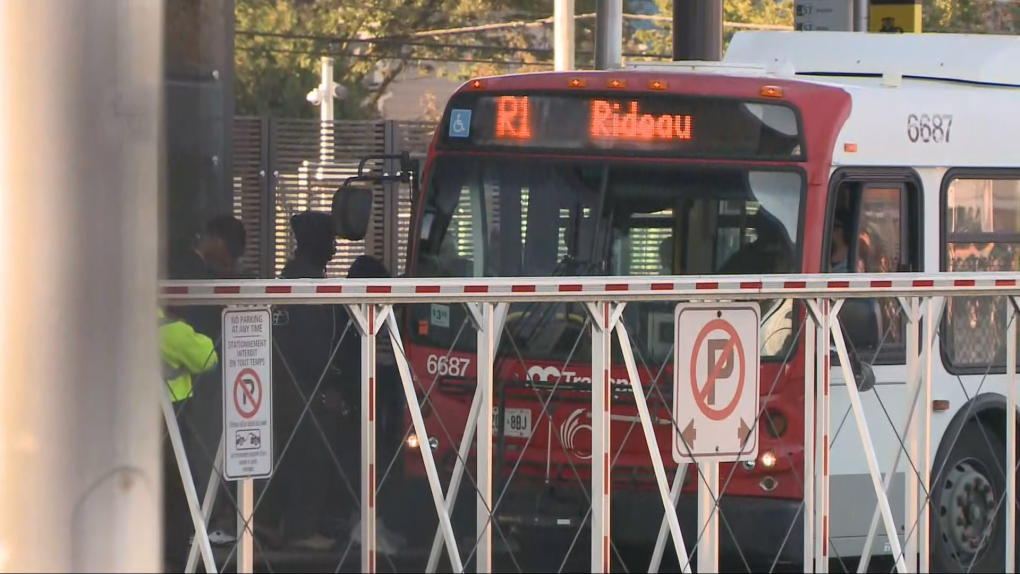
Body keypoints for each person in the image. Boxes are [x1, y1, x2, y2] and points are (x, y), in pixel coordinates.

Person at [270, 210, 345, 551]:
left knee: (295, 454)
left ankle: (285, 523)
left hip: (290, 384)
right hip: (305, 387)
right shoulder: (305, 284)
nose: (334, 247)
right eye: (329, 240)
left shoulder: (291, 276)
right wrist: (330, 386)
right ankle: (302, 530)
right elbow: (311, 348)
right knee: (311, 454)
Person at [159, 307, 219, 563]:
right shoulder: (172, 332)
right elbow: (209, 356)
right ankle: (173, 562)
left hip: (130, 419)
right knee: (178, 494)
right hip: (170, 419)